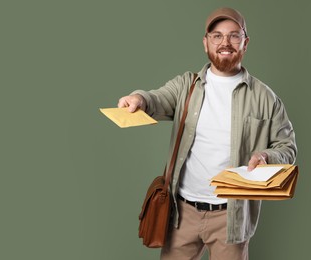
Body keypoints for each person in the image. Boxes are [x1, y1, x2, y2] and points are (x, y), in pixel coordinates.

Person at [118, 7, 297, 260]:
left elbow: (287, 148)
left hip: (231, 216)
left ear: (245, 43)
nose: (225, 43)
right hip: (182, 213)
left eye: (234, 36)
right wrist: (138, 98)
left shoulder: (266, 98)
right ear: (206, 43)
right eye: (217, 36)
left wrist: (267, 156)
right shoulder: (186, 86)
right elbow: (156, 99)